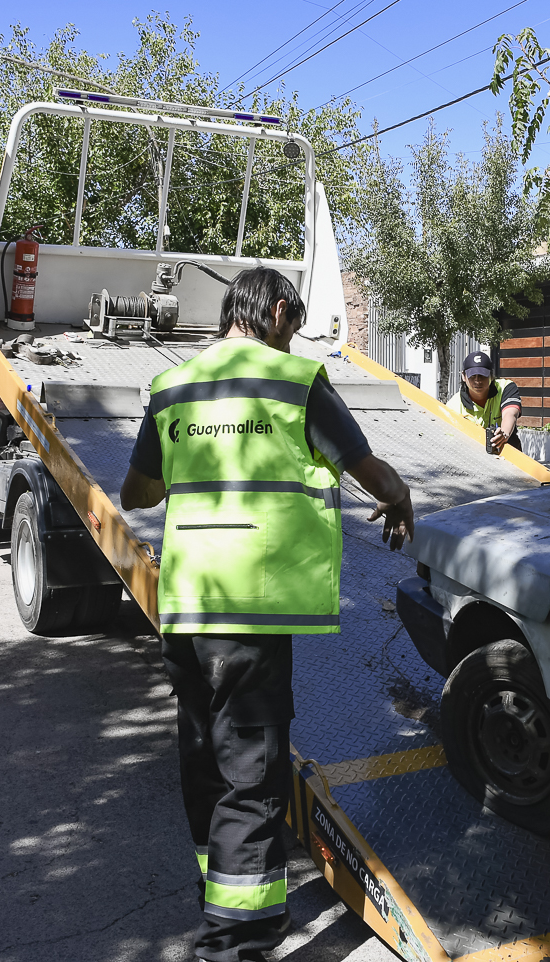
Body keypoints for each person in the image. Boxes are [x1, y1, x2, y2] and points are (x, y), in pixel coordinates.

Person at [120, 267, 413, 962]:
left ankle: (219, 893)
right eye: (294, 328)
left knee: (204, 762)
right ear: (278, 311)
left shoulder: (174, 387)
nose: (293, 341)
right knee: (251, 779)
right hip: (249, 616)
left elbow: (137, 494)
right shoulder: (296, 383)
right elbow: (367, 468)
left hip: (187, 613)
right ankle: (234, 945)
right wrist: (400, 497)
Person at [445, 350, 522, 453]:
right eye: (472, 376)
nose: (478, 381)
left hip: (507, 454)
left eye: (482, 375)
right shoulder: (453, 406)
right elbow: (451, 442)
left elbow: (510, 413)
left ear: (491, 375)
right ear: (463, 376)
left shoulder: (505, 387)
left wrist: (504, 433)